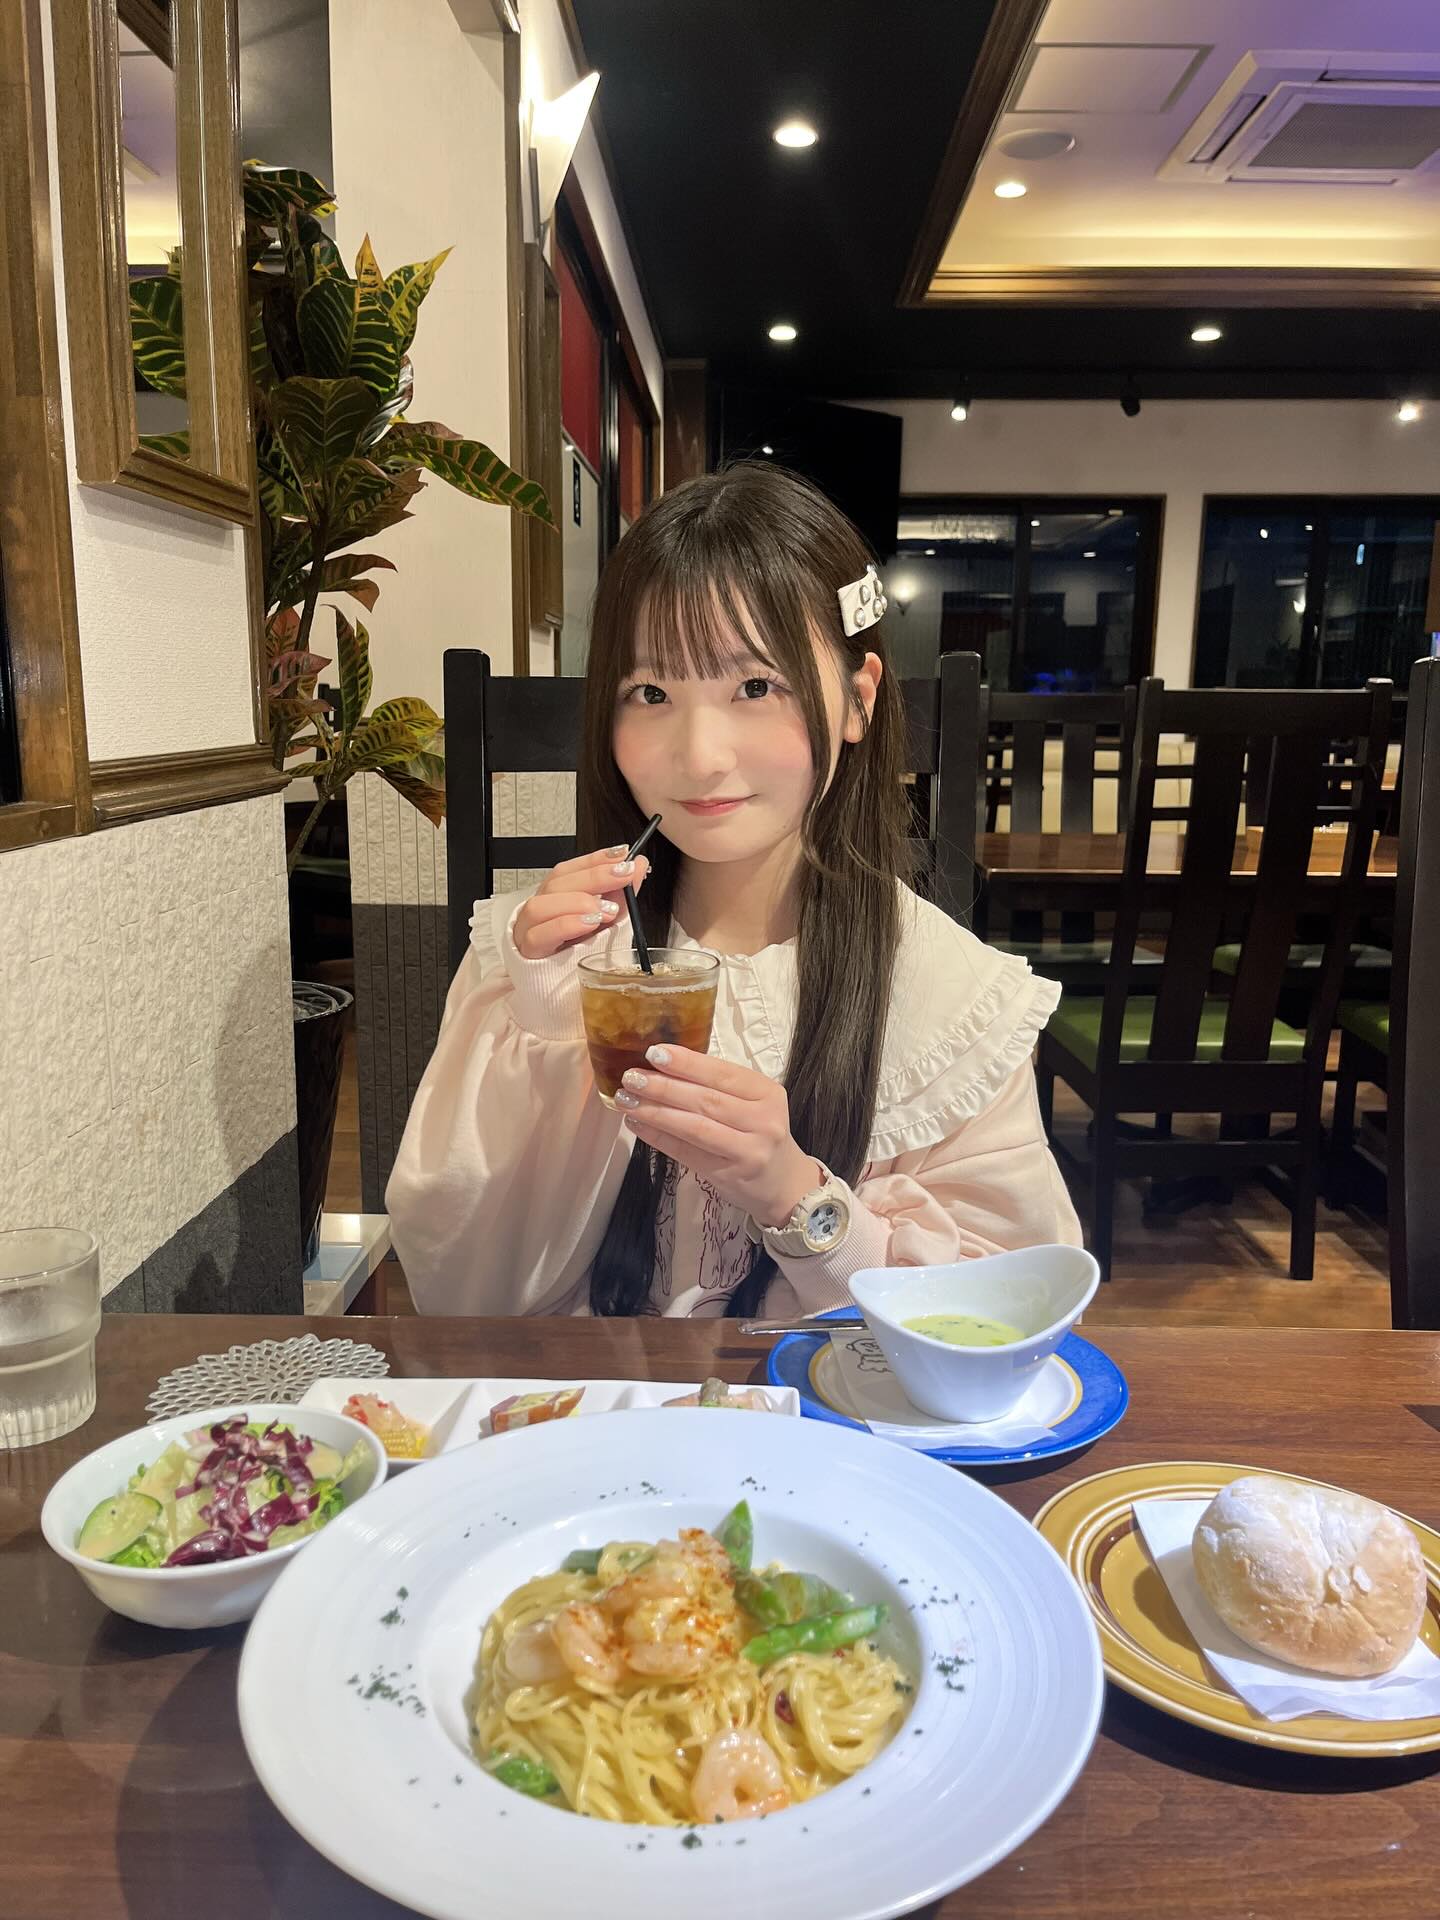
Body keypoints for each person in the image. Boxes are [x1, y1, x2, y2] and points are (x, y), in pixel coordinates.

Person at [386, 463, 1079, 1317]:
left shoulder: (954, 997)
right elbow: (463, 1293)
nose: (700, 756)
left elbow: (1002, 1315)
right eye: (651, 692)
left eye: (755, 686)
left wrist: (794, 1196)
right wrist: (543, 1023)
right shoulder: (538, 961)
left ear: (857, 700)